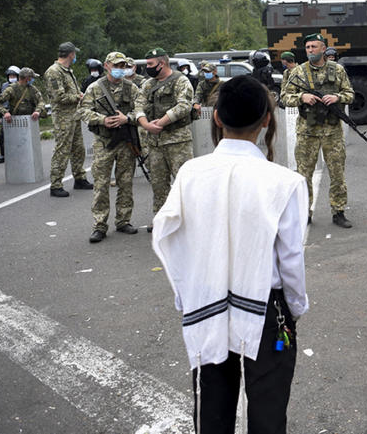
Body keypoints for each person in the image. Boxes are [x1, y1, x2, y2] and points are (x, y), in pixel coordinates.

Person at [151, 75, 308, 434]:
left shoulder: (190, 172)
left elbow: (168, 238)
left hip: (205, 302)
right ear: (267, 119)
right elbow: (291, 260)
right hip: (268, 309)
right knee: (268, 412)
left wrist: (185, 295)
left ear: (217, 118)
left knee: (212, 411)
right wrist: (295, 307)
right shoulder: (284, 181)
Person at [279, 33, 354, 228]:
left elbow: (350, 94)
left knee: (337, 172)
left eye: (314, 47)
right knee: (304, 175)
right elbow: (285, 98)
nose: (311, 50)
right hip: (307, 130)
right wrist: (301, 97)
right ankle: (305, 213)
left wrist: (337, 97)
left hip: (332, 131)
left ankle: (338, 212)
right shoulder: (297, 72)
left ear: (323, 49)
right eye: (308, 47)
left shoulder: (337, 70)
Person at [79, 52, 142, 243]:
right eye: (116, 65)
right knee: (101, 183)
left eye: (123, 66)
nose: (120, 69)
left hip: (125, 141)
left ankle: (123, 220)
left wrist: (127, 118)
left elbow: (141, 109)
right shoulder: (95, 88)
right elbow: (82, 110)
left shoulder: (131, 88)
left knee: (125, 182)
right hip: (103, 142)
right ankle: (99, 224)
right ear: (106, 65)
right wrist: (102, 120)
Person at [137, 48, 195, 232]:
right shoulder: (148, 85)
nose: (148, 68)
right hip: (155, 143)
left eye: (150, 64)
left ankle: (189, 222)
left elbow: (184, 106)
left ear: (162, 63)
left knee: (183, 183)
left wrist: (160, 123)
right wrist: (146, 124)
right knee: (158, 184)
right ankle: (161, 220)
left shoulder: (181, 81)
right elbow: (138, 105)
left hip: (178, 141)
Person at [44, 42, 92, 197]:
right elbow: (59, 97)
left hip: (74, 115)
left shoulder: (67, 70)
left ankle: (79, 178)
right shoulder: (54, 71)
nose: (75, 56)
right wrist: (78, 97)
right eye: (74, 53)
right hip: (63, 117)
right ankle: (56, 184)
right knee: (62, 150)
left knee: (78, 148)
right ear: (70, 54)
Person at [0, 65, 21, 164]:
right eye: (10, 76)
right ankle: (3, 155)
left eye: (14, 75)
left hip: (18, 114)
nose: (12, 77)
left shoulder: (22, 86)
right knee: (2, 135)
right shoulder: (4, 86)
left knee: (19, 135)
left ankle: (19, 153)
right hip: (5, 114)